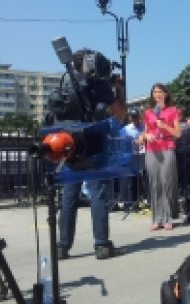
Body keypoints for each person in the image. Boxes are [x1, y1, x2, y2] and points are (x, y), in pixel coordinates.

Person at [57, 50, 127, 260]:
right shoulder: (99, 84)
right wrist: (119, 89)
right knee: (98, 195)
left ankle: (62, 246)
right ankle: (102, 245)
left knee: (69, 196)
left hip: (70, 143)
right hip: (94, 143)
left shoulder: (67, 81)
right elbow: (120, 114)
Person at [138, 83, 181, 231]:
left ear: (166, 94)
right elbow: (143, 133)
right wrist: (145, 135)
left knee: (166, 182)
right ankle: (156, 218)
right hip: (151, 150)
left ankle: (167, 218)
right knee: (155, 184)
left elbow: (178, 133)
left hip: (167, 148)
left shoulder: (173, 110)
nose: (157, 94)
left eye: (160, 91)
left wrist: (164, 126)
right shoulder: (148, 112)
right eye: (155, 92)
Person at [118, 109, 145, 205]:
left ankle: (136, 200)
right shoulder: (126, 129)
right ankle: (126, 201)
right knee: (127, 179)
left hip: (140, 155)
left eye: (136, 116)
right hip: (128, 156)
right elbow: (120, 141)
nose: (135, 119)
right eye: (133, 117)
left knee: (137, 179)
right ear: (130, 117)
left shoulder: (143, 127)